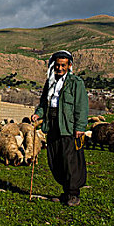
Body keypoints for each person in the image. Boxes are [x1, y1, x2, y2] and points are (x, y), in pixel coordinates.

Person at [31, 50, 88, 207]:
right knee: (56, 158)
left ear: (69, 65)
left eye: (63, 65)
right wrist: (38, 114)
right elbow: (44, 103)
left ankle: (74, 194)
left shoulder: (76, 82)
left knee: (70, 159)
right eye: (57, 65)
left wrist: (80, 127)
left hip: (68, 126)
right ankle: (66, 191)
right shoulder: (50, 82)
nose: (60, 68)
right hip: (53, 124)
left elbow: (81, 106)